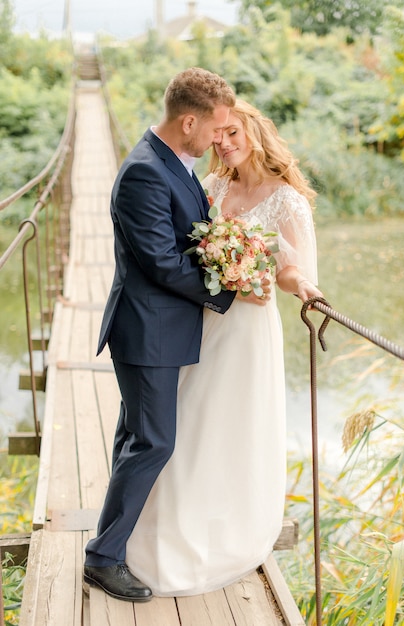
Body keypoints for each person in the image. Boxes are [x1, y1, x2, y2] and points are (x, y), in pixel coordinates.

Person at [83, 71, 271, 603]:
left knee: (135, 436)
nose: (219, 138)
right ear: (189, 120)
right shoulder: (145, 172)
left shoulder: (173, 163)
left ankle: (119, 539)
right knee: (153, 440)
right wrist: (229, 293)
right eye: (215, 128)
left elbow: (189, 241)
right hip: (148, 330)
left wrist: (230, 263)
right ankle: (103, 558)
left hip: (160, 329)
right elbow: (164, 263)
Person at [124, 99, 324, 596]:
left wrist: (302, 287)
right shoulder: (211, 187)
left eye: (233, 132)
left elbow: (289, 267)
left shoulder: (287, 199)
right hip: (204, 322)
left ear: (254, 130)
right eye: (218, 137)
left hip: (247, 331)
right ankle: (165, 528)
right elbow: (191, 252)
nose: (225, 143)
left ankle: (220, 533)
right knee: (187, 424)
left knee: (229, 425)